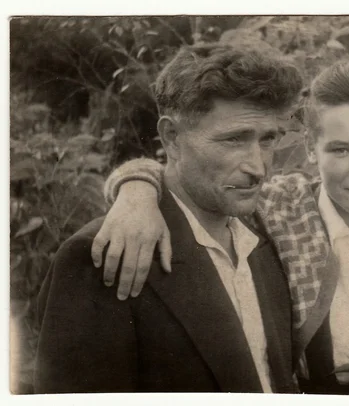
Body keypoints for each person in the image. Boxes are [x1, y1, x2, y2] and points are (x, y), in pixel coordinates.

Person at [91, 61, 349, 394]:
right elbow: (192, 183)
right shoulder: (282, 206)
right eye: (340, 150)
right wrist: (135, 188)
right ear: (311, 148)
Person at [34, 44, 304, 393]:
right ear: (171, 138)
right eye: (234, 140)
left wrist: (135, 182)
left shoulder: (272, 236)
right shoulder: (105, 255)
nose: (258, 167)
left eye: (267, 140)